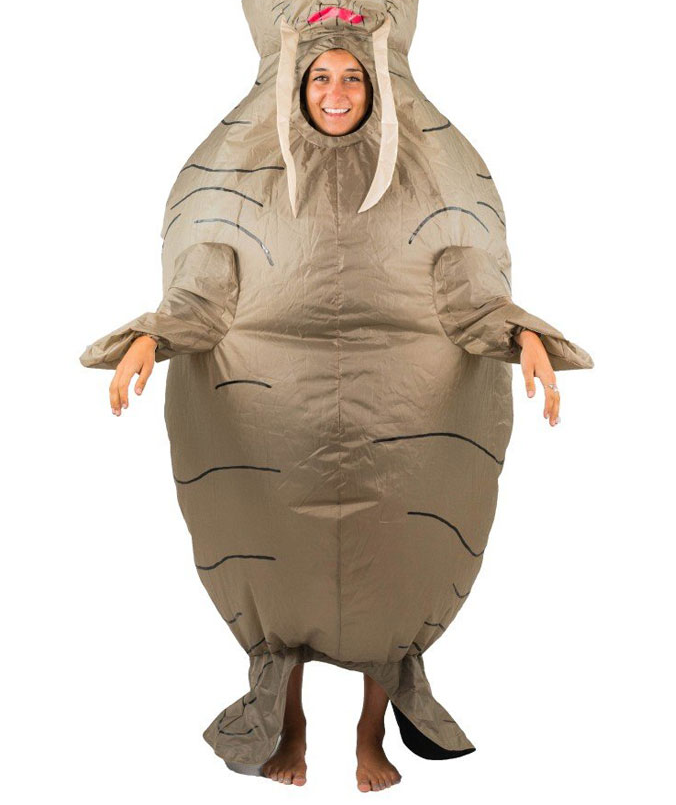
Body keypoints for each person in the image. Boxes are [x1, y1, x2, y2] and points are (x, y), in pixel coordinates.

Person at [105, 46, 561, 791]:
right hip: (272, 418)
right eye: (320, 77)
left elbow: (469, 288)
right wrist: (149, 340)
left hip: (400, 413)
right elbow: (204, 287)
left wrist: (525, 336)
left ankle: (370, 734)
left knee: (393, 572)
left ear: (377, 87)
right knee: (278, 568)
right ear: (298, 85)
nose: (337, 91)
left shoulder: (428, 178)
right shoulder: (245, 180)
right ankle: (289, 725)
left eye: (353, 77)